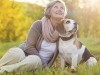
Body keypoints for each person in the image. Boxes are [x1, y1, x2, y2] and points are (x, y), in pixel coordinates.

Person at [0, 0, 67, 74]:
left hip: (37, 63)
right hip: (24, 54)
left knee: (35, 60)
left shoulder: (64, 32)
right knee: (16, 52)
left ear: (64, 13)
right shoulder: (39, 25)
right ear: (49, 11)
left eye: (62, 8)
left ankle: (4, 70)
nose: (59, 9)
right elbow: (29, 47)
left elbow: (66, 52)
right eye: (56, 7)